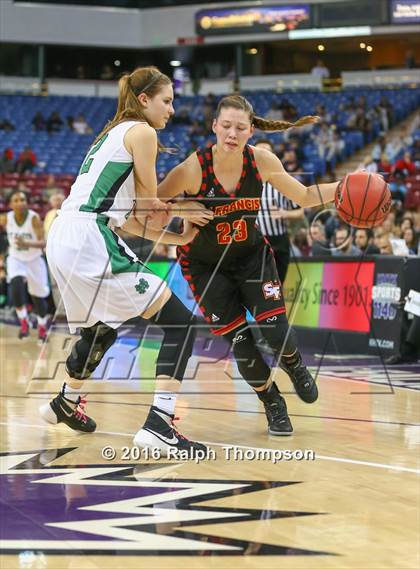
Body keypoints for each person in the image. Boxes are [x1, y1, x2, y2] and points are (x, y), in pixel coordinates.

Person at [39, 66, 208, 457]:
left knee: (102, 328)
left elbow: (132, 218)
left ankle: (66, 401)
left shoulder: (114, 134)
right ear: (144, 100)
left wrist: (178, 236)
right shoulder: (143, 132)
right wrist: (186, 206)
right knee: (181, 323)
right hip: (88, 236)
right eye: (167, 101)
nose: (171, 110)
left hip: (68, 233)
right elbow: (150, 206)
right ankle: (160, 425)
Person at [157, 94, 340, 435]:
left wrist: (342, 188)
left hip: (251, 257)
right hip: (206, 269)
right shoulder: (192, 169)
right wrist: (181, 210)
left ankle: (293, 363)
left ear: (251, 130)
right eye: (225, 126)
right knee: (244, 349)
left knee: (277, 332)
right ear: (214, 126)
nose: (232, 133)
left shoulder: (262, 161)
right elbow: (151, 201)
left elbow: (302, 196)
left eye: (240, 127)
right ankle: (273, 401)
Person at [0, 190, 50, 342]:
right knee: (16, 286)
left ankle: (42, 326)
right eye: (16, 200)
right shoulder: (6, 219)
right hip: (16, 258)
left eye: (22, 199)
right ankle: (24, 322)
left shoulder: (33, 218)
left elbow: (43, 243)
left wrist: (26, 243)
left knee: (38, 297)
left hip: (34, 259)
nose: (20, 202)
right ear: (10, 204)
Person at [255, 139, 304, 282]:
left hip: (279, 241)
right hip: (255, 242)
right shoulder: (242, 182)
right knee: (259, 286)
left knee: (277, 284)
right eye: (259, 153)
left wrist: (285, 213)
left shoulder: (284, 182)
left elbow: (300, 212)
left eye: (266, 152)